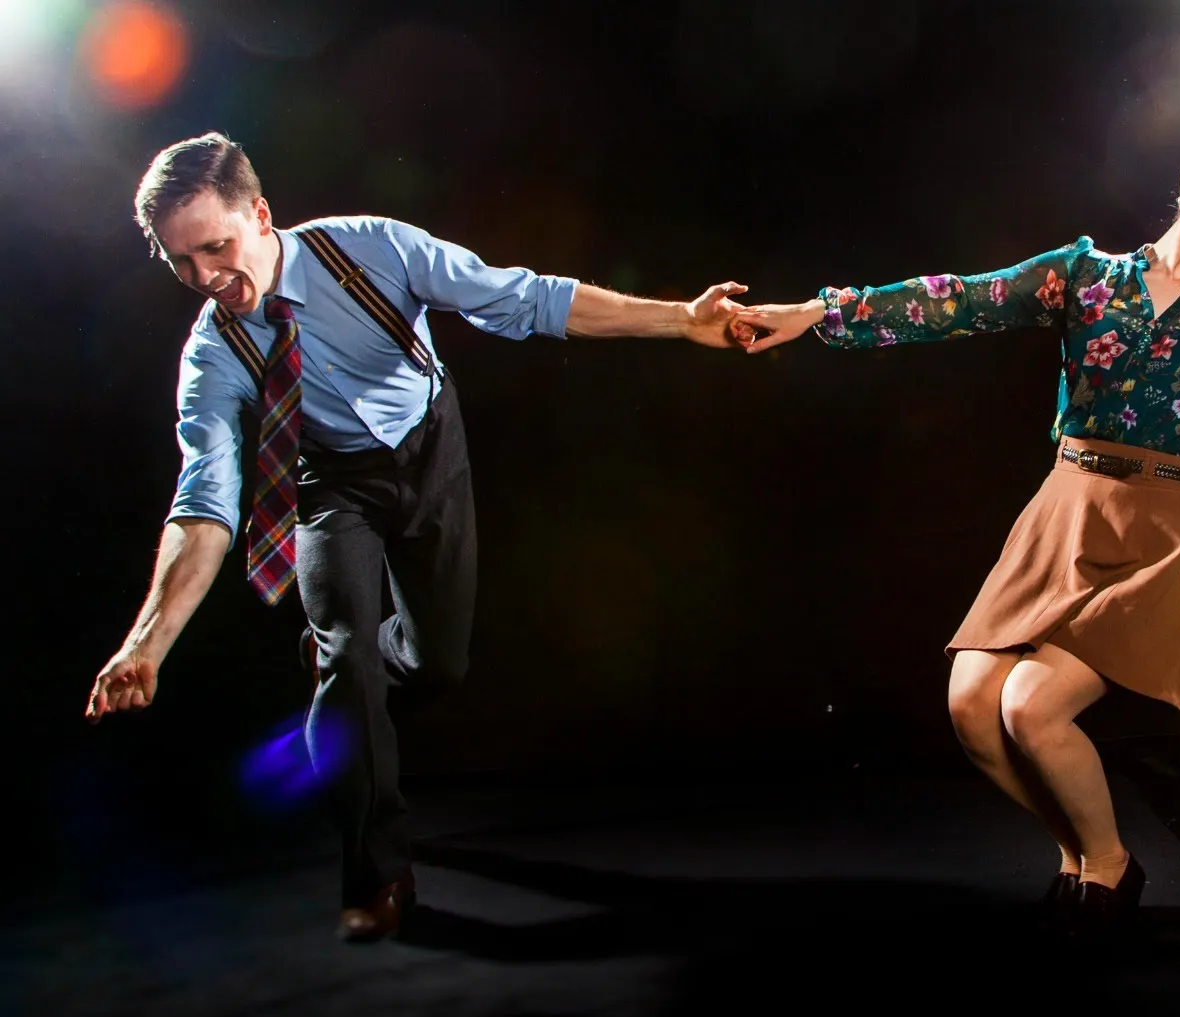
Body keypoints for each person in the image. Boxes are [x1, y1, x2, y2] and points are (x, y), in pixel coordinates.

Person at [732, 85, 1180, 938]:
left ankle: (1109, 868)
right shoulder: (1085, 277)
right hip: (1065, 510)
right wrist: (819, 313)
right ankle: (1078, 855)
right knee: (972, 705)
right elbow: (959, 298)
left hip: (1160, 530)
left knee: (1031, 706)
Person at [86, 131, 750, 942]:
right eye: (180, 264)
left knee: (439, 661)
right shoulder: (212, 353)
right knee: (349, 665)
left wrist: (681, 319)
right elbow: (206, 501)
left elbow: (529, 298)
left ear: (260, 216)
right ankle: (377, 874)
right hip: (330, 486)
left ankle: (350, 667)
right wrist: (147, 643)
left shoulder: (374, 250)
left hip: (430, 449)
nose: (205, 279)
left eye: (216, 248)